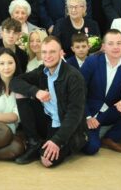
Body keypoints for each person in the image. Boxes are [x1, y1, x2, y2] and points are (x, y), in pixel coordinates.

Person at [11, 36, 88, 167]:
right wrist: (36, 91)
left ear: (61, 53)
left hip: (65, 126)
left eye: (52, 52)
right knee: (20, 92)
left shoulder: (74, 77)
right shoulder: (43, 71)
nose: (47, 56)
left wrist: (58, 140)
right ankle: (34, 142)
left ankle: (69, 143)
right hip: (48, 119)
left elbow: (74, 114)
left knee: (46, 161)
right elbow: (15, 82)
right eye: (44, 52)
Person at [81, 30, 121, 155]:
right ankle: (84, 132)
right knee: (91, 148)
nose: (116, 47)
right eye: (111, 43)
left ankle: (110, 138)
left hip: (109, 111)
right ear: (104, 46)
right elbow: (78, 91)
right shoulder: (92, 62)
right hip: (90, 112)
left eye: (119, 43)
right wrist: (87, 116)